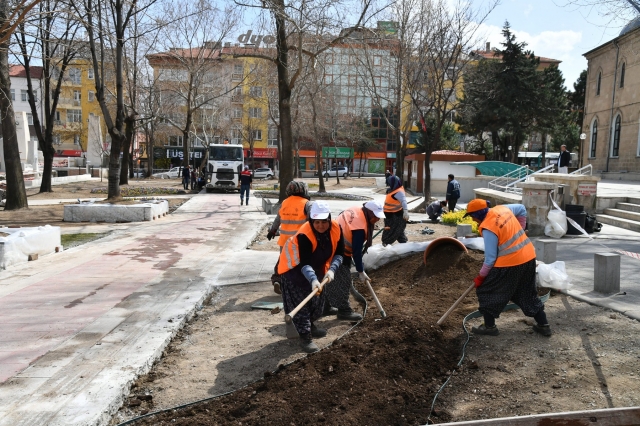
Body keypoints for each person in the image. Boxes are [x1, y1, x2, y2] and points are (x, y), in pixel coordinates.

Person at [464, 199, 551, 337]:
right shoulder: (502, 209)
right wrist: (521, 229)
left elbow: (490, 259)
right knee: (526, 292)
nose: (473, 220)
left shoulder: (488, 228)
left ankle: (489, 327)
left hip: (510, 263)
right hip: (528, 256)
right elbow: (522, 208)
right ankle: (543, 324)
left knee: (487, 290)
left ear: (478, 214)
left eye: (472, 216)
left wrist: (481, 277)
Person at [277, 201, 344, 353]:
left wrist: (332, 270)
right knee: (301, 306)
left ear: (329, 219)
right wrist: (313, 280)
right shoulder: (304, 234)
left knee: (317, 303)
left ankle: (311, 325)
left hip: (318, 268)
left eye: (324, 222)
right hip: (295, 271)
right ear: (311, 221)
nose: (320, 226)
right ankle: (305, 337)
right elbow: (304, 263)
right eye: (316, 222)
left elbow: (340, 253)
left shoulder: (336, 228)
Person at [326, 200, 386, 321]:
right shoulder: (359, 227)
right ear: (369, 212)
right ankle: (344, 311)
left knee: (331, 279)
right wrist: (360, 271)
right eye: (375, 216)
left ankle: (325, 306)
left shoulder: (358, 209)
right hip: (337, 249)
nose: (377, 220)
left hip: (331, 242)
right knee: (344, 280)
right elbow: (356, 251)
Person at [267, 181, 314, 294]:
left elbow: (278, 219)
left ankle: (278, 280)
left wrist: (272, 231)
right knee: (299, 264)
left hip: (284, 241)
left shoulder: (284, 203)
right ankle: (296, 286)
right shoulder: (307, 204)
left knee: (283, 262)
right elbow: (311, 221)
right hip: (300, 241)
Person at [382, 175, 409, 245]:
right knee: (397, 228)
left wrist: (405, 211)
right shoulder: (394, 189)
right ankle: (403, 242)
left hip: (395, 215)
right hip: (389, 214)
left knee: (394, 229)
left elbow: (404, 201)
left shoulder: (399, 192)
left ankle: (387, 242)